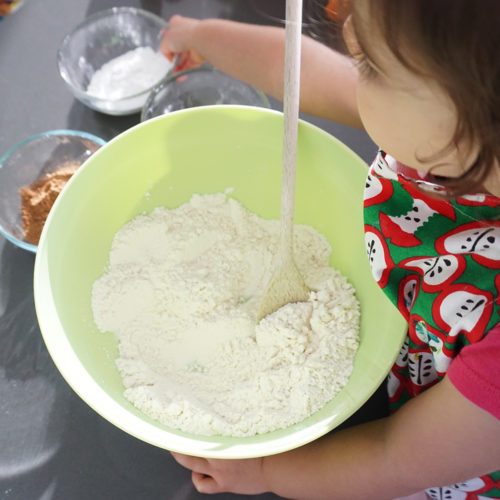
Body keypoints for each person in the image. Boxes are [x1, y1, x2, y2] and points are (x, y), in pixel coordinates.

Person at [160, 1, 500, 498]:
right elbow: (305, 73)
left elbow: (396, 457)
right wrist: (200, 34)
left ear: (470, 121)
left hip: (448, 457)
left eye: (370, 64)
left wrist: (266, 474)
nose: (350, 47)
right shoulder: (446, 128)